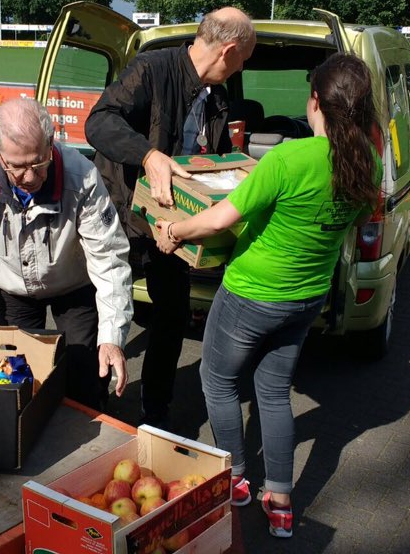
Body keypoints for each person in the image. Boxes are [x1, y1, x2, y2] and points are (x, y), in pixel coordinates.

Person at [153, 53, 383, 538]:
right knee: (274, 392)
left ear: (315, 102)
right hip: (306, 298)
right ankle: (280, 499)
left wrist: (174, 229)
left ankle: (235, 478)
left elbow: (217, 220)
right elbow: (358, 222)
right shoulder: (368, 160)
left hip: (252, 293)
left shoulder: (286, 159)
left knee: (218, 384)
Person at [84, 7, 255, 428]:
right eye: (245, 58)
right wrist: (148, 154)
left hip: (172, 232)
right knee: (104, 310)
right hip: (122, 220)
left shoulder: (218, 96)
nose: (244, 66)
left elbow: (206, 162)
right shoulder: (152, 69)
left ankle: (154, 411)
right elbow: (99, 122)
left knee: (172, 316)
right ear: (230, 51)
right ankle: (92, 401)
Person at [0, 97, 133, 410]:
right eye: (18, 166)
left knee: (84, 372)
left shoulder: (82, 177)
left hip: (74, 283)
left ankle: (87, 431)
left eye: (38, 163)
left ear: (51, 143)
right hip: (12, 287)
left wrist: (112, 336)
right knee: (19, 376)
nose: (29, 177)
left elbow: (110, 259)